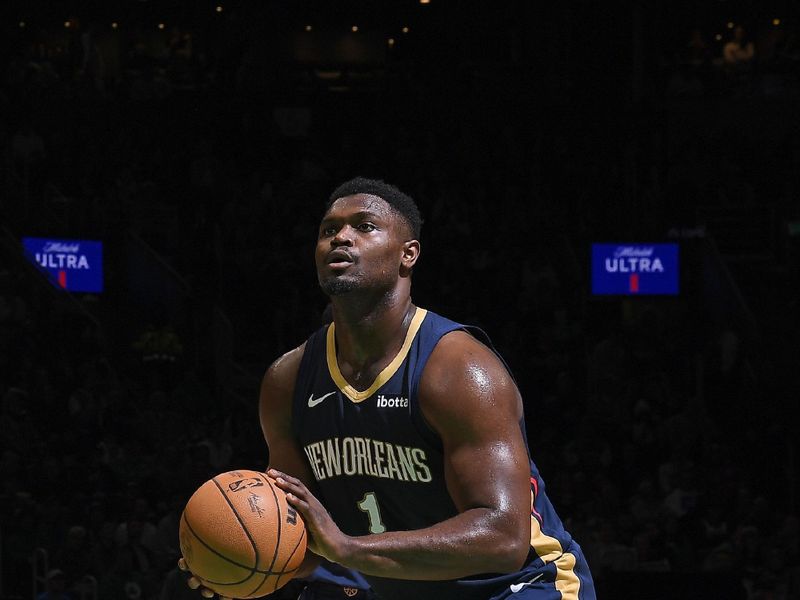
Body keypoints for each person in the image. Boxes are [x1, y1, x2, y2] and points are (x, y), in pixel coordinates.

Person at [181, 177, 595, 599]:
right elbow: (301, 538)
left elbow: (504, 539)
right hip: (385, 583)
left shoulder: (458, 370)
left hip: (512, 585)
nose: (340, 236)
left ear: (408, 255)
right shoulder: (286, 381)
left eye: (364, 226)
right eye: (329, 229)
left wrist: (347, 548)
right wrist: (239, 559)